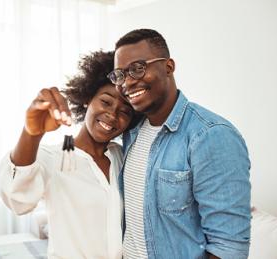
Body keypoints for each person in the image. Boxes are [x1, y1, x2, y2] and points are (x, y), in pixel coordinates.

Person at [106, 29, 251, 259]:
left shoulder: (210, 135)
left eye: (138, 68)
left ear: (168, 67)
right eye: (120, 75)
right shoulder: (130, 134)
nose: (128, 82)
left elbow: (228, 247)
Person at [0, 50, 136, 259]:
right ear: (88, 99)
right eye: (106, 102)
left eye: (125, 111)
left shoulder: (122, 156)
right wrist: (32, 134)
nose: (112, 114)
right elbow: (17, 200)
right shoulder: (55, 155)